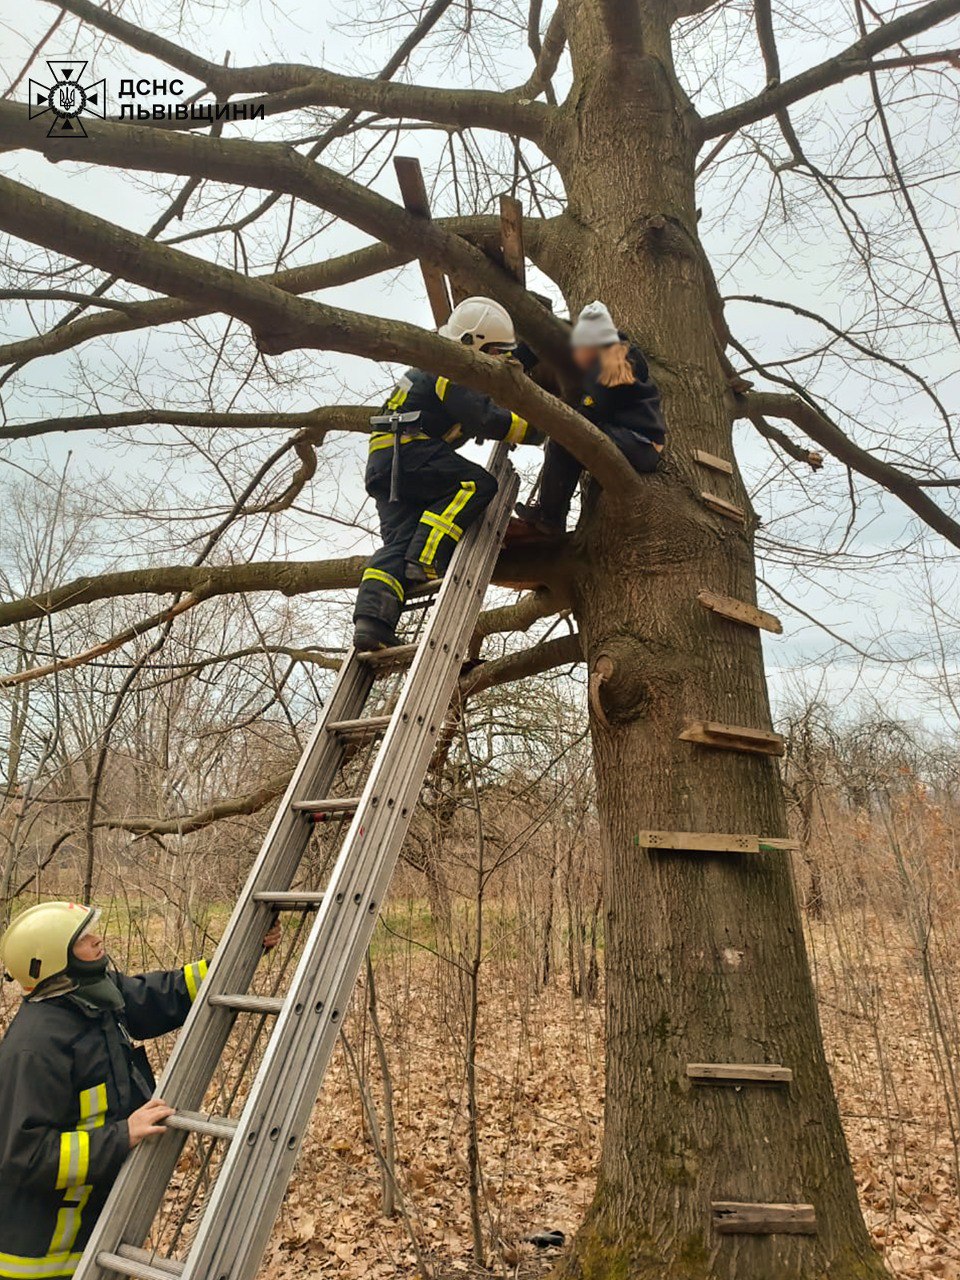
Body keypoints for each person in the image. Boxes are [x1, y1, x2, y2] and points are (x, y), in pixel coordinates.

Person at [0, 900, 280, 1278]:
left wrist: (244, 952)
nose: (98, 941)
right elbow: (26, 1154)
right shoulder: (34, 1047)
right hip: (40, 1261)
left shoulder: (94, 998)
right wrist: (121, 1136)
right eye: (83, 939)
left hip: (92, 1232)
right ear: (53, 959)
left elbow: (164, 994)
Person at [352, 296, 544, 652]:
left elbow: (496, 379)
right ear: (472, 342)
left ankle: (371, 623)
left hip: (388, 465)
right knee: (477, 484)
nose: (500, 359)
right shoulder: (450, 365)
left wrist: (534, 351)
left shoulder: (436, 362)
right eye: (496, 350)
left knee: (398, 543)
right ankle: (428, 558)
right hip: (408, 454)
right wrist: (541, 430)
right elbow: (483, 416)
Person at [516, 300, 666, 534]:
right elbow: (544, 339)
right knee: (563, 444)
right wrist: (517, 359)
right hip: (621, 435)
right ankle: (549, 517)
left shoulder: (619, 353)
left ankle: (550, 516)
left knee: (565, 436)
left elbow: (607, 395)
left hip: (639, 442)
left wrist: (577, 413)